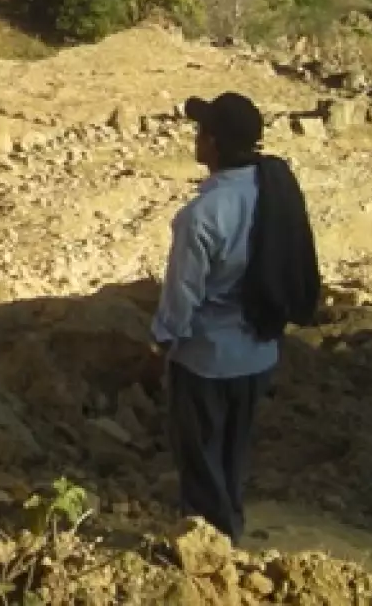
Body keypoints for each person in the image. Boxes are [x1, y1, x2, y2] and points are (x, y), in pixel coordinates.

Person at [149, 91, 318, 546]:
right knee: (232, 453)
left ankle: (213, 551)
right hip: (259, 352)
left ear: (215, 144)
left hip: (206, 360)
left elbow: (182, 296)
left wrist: (162, 342)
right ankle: (233, 529)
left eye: (201, 132)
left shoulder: (202, 214)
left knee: (199, 461)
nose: (195, 139)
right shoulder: (272, 189)